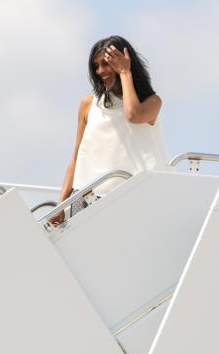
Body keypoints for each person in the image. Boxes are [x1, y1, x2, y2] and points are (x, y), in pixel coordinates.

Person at [52, 35, 169, 223]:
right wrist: (61, 204)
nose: (100, 71)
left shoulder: (152, 102)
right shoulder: (88, 104)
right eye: (96, 66)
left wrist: (125, 72)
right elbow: (76, 158)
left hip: (132, 198)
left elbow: (133, 115)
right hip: (85, 199)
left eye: (106, 64)